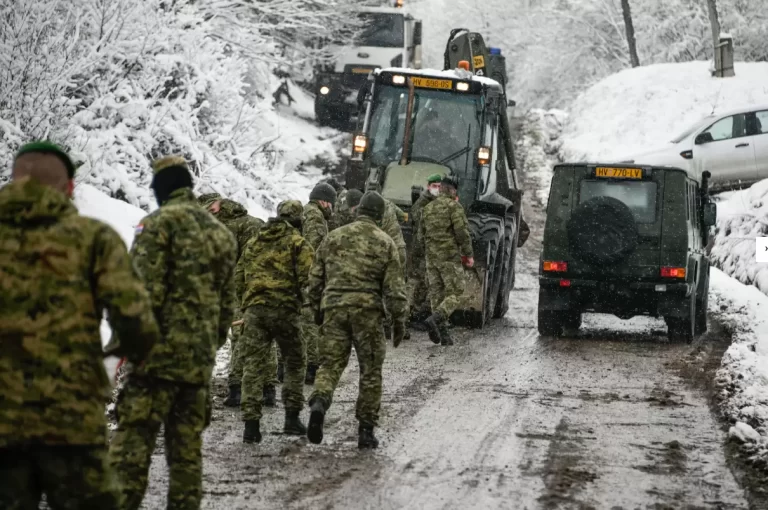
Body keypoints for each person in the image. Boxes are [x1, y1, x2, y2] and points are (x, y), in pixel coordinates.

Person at [0, 142, 160, 509]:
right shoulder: (93, 239)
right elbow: (137, 324)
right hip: (71, 416)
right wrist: (107, 366)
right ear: (69, 187)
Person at [108, 156, 237, 510]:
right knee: (185, 457)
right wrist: (208, 346)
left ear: (161, 190)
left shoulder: (156, 225)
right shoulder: (220, 235)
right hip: (196, 366)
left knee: (131, 454)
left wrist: (126, 348)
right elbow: (227, 307)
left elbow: (139, 293)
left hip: (153, 363)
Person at [306, 191, 407, 449]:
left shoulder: (333, 237)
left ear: (358, 210)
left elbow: (315, 280)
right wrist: (398, 322)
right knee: (370, 371)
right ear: (381, 215)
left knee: (329, 365)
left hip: (334, 310)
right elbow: (395, 290)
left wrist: (319, 310)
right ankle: (365, 430)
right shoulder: (386, 243)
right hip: (368, 315)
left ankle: (319, 401)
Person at [236, 200, 314, 443]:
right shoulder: (298, 243)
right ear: (298, 218)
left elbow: (239, 277)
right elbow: (309, 278)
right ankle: (291, 418)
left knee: (253, 365)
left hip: (255, 312)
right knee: (294, 360)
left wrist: (246, 303)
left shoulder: (254, 241)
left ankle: (251, 425)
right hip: (285, 311)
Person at [196, 193, 276, 408]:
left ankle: (240, 389)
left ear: (217, 204)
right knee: (257, 336)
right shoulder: (244, 223)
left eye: (209, 209)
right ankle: (265, 389)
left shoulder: (236, 226)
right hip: (253, 288)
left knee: (243, 337)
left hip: (245, 290)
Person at [420, 175, 474, 346]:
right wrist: (468, 254)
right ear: (452, 190)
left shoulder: (427, 208)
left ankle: (443, 335)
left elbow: (420, 235)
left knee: (437, 293)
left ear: (440, 188)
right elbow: (462, 233)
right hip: (449, 257)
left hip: (431, 257)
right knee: (456, 291)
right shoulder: (454, 207)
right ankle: (436, 319)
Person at [301, 181, 337, 384]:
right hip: (309, 276)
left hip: (300, 274)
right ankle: (311, 367)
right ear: (324, 202)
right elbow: (316, 249)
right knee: (312, 321)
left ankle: (285, 367)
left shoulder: (306, 212)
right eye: (331, 204)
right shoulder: (315, 217)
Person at [409, 173, 443, 323]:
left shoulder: (439, 202)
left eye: (439, 187)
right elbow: (420, 220)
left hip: (431, 249)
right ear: (428, 186)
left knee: (426, 282)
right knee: (419, 281)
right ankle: (412, 313)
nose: (437, 189)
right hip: (421, 249)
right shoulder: (422, 203)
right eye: (434, 186)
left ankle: (418, 313)